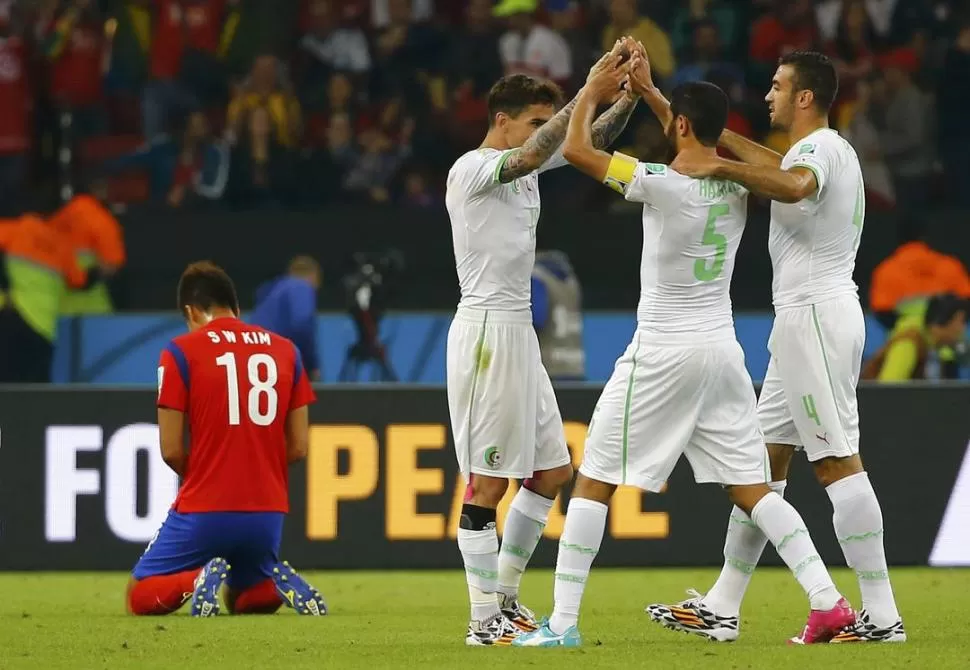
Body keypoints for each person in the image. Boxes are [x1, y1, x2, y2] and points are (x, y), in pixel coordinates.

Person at [514, 54, 853, 649]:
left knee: (593, 479)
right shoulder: (736, 186)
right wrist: (649, 92)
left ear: (680, 127)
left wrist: (593, 92)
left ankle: (562, 624)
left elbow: (576, 152)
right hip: (723, 353)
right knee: (753, 489)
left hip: (663, 350)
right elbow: (705, 143)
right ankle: (828, 601)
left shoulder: (659, 183)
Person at [642, 51, 905, 643]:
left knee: (837, 461)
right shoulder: (827, 149)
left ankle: (883, 617)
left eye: (778, 86)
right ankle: (723, 604)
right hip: (807, 317)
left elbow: (790, 184)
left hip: (814, 313)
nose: (768, 95)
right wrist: (664, 104)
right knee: (761, 466)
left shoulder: (815, 157)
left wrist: (718, 170)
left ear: (804, 97)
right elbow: (755, 158)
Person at [444, 39, 639, 646]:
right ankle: (482, 624)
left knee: (552, 472)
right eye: (531, 119)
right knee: (487, 485)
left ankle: (502, 599)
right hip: (485, 334)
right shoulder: (474, 169)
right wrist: (587, 87)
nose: (540, 132)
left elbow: (593, 139)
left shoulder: (525, 158)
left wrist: (627, 92)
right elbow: (531, 155)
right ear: (501, 121)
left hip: (518, 336)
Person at [126, 261, 327, 618]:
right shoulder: (286, 351)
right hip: (267, 511)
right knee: (243, 597)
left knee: (140, 593)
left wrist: (211, 476)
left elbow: (171, 449)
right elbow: (299, 446)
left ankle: (198, 577)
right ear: (235, 306)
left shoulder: (180, 350)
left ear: (191, 310)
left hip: (206, 506)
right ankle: (270, 585)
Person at [0, 214, 99, 383]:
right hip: (43, 326)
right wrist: (100, 270)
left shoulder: (13, 230)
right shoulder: (61, 244)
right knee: (37, 390)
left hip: (11, 314)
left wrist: (6, 286)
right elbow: (80, 281)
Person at [862, 293, 968, 382]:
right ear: (938, 324)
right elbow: (887, 390)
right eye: (960, 322)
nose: (962, 329)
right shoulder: (908, 344)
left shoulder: (940, 348)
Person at [251, 256, 322, 381]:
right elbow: (302, 325)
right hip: (278, 362)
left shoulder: (271, 290)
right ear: (313, 275)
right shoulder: (301, 287)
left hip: (252, 360)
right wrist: (312, 365)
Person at [531, 250, 584, 381]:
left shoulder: (537, 278)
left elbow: (537, 319)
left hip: (549, 368)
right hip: (575, 364)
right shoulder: (572, 282)